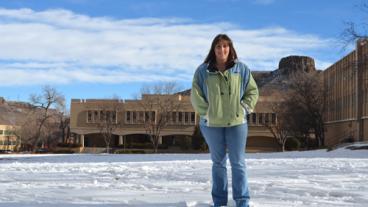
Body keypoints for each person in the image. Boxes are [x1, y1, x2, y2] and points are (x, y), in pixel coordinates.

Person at [191, 34, 258, 207]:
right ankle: (219, 202)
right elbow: (196, 94)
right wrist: (206, 113)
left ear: (230, 48)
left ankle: (242, 201)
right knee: (218, 163)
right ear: (213, 50)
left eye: (225, 46)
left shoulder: (241, 69)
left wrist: (244, 109)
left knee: (238, 162)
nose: (222, 50)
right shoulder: (202, 71)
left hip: (237, 123)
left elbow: (253, 91)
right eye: (218, 46)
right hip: (211, 125)